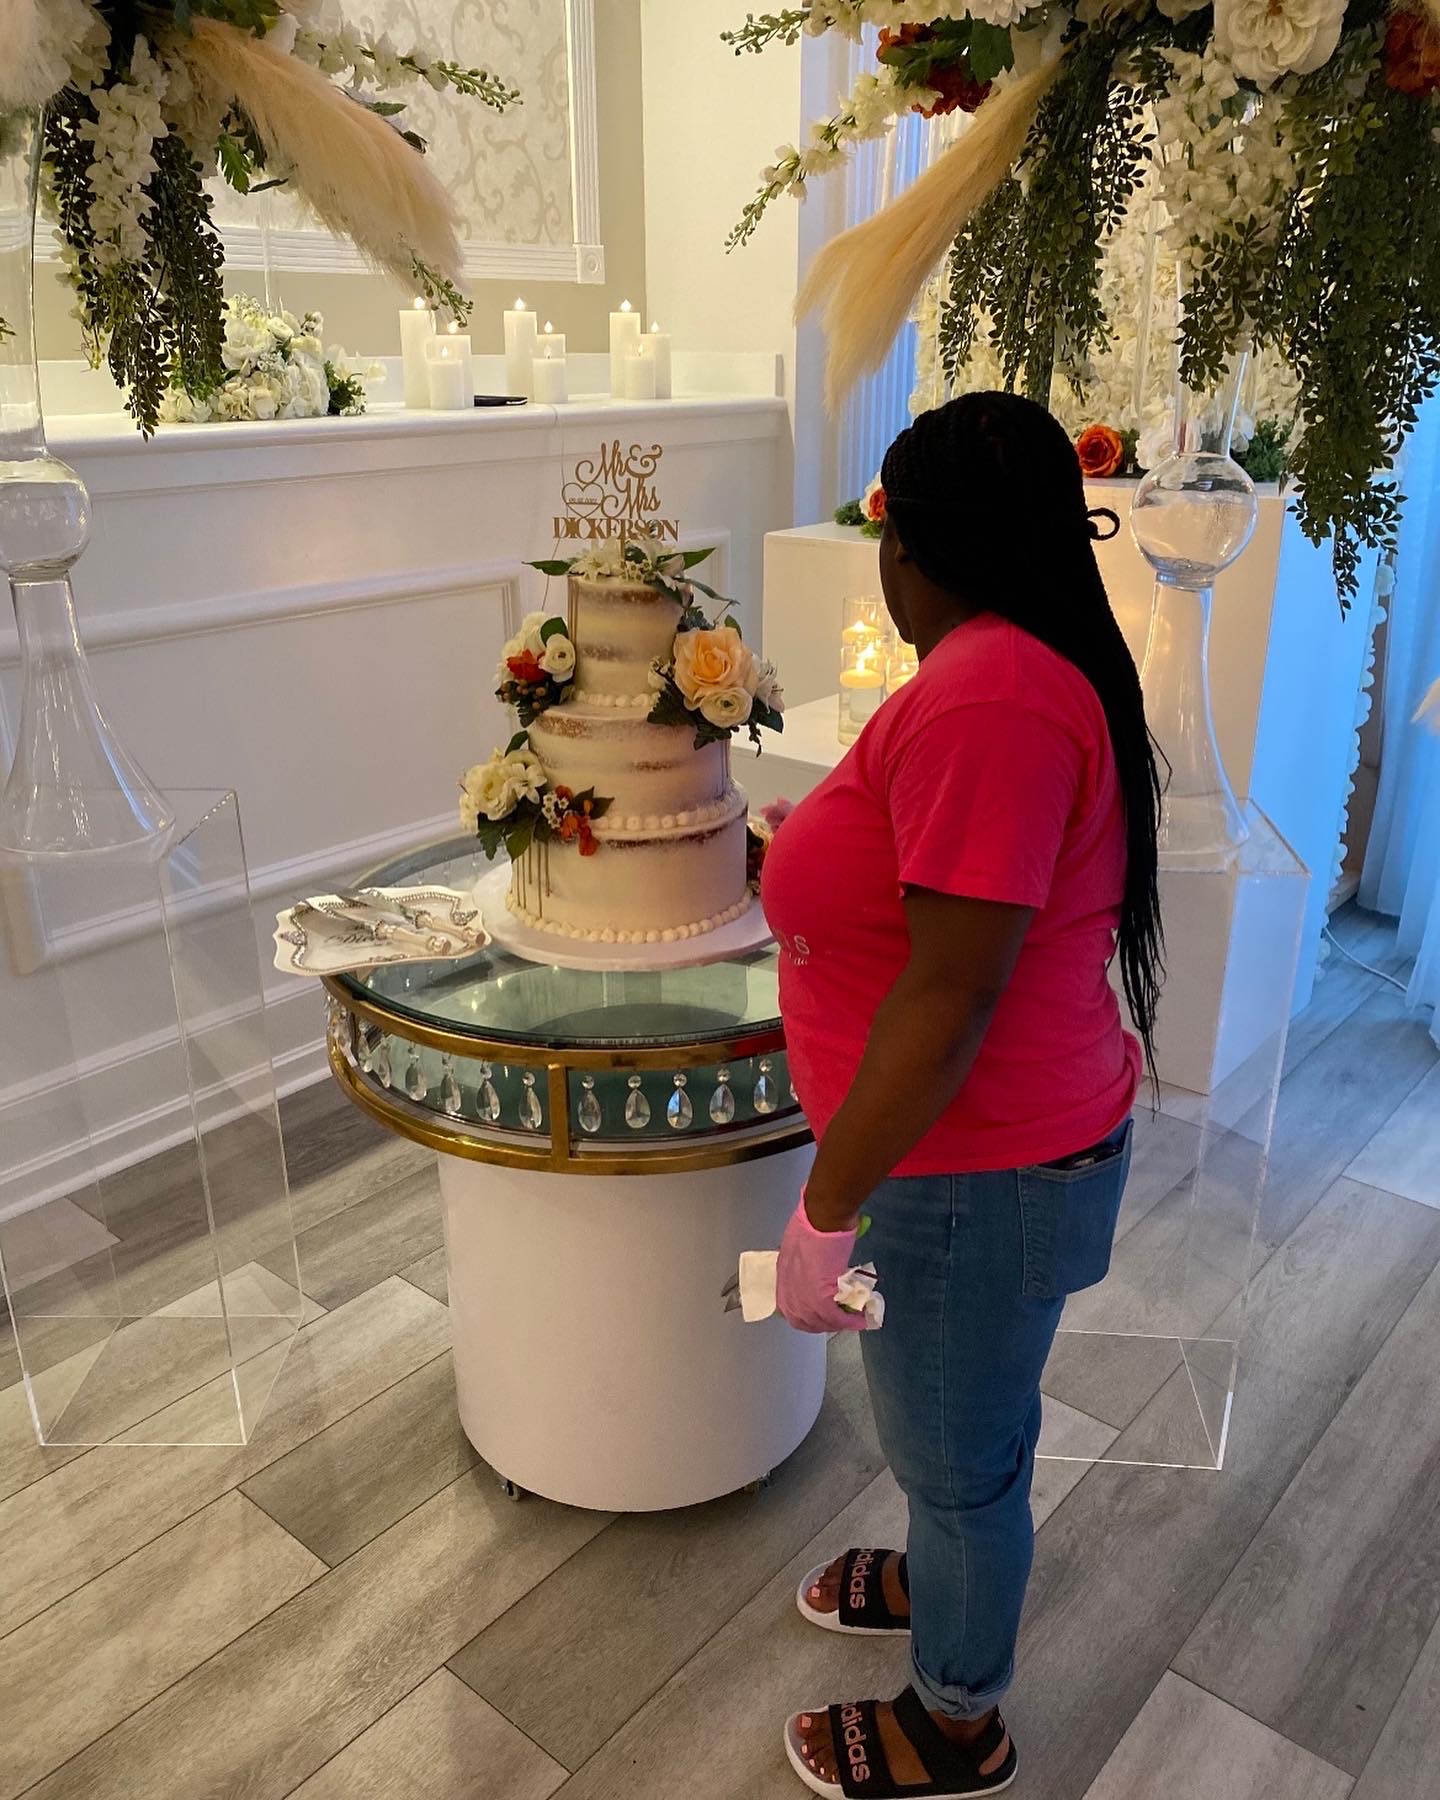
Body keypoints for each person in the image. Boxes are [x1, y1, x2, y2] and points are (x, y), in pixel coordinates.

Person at [760, 391, 1163, 1799]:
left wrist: (824, 1207)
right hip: (982, 1163)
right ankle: (946, 1563)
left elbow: (948, 1003)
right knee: (967, 1417)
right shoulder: (1008, 672)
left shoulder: (992, 693)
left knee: (960, 1453)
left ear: (913, 548)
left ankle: (957, 1721)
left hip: (976, 1170)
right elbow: (946, 907)